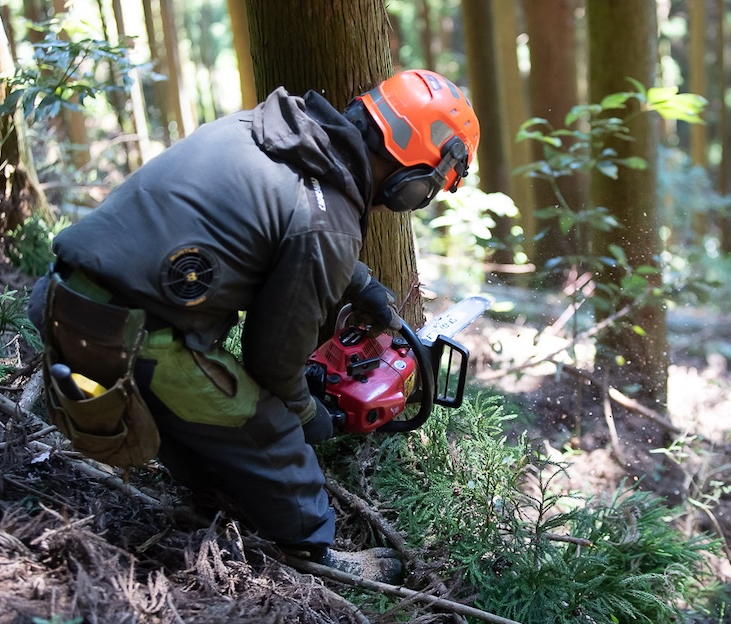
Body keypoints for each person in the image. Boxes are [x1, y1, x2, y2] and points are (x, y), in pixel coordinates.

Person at [27, 69, 480, 583]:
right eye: (425, 192)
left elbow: (281, 217)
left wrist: (359, 282)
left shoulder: (269, 131)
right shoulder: (326, 218)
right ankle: (317, 555)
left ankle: (214, 498)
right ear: (411, 180)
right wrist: (309, 415)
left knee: (208, 446)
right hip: (125, 332)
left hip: (64, 295)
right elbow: (273, 359)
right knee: (267, 428)